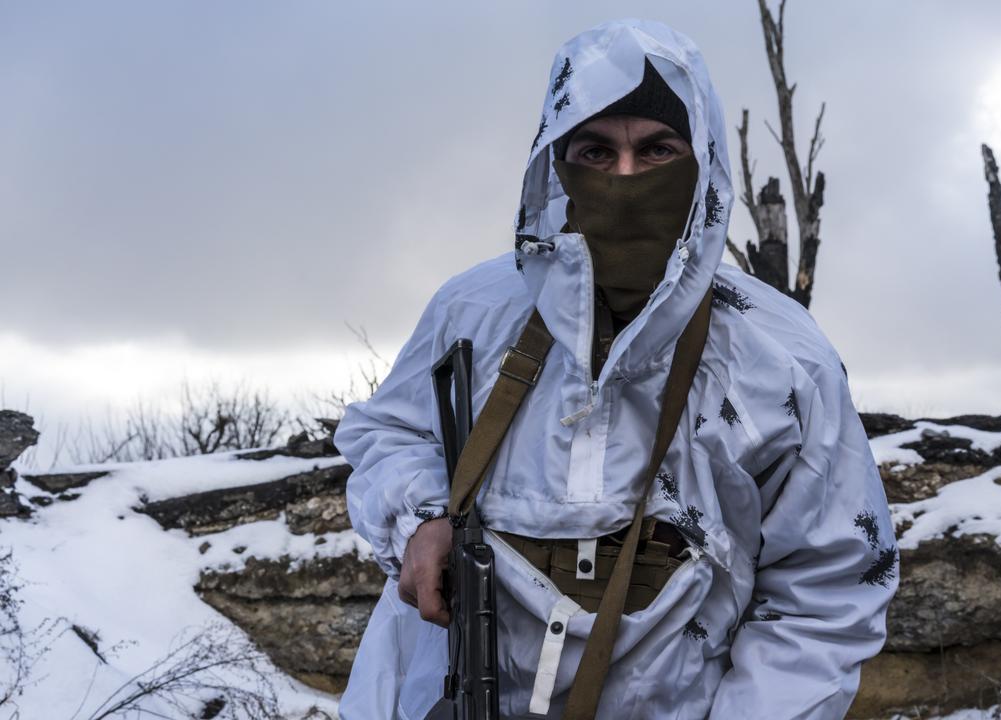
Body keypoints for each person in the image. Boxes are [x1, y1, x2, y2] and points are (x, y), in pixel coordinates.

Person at [334, 18, 898, 720]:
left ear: (702, 162)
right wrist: (419, 520)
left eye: (657, 151)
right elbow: (390, 432)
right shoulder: (473, 311)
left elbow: (826, 591)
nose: (626, 179)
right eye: (596, 152)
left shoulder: (780, 355)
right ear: (556, 162)